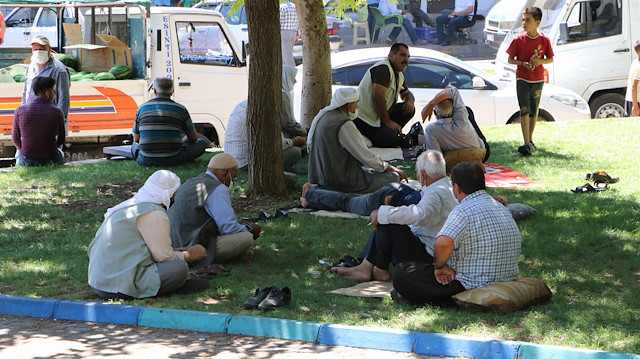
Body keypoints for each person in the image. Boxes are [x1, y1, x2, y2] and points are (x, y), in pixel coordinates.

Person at [392, 161, 522, 306]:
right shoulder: (500, 207)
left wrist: (440, 267)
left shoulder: (463, 211)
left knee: (401, 272)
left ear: (456, 188)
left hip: (470, 284)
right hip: (507, 278)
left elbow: (442, 243)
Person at [331, 150, 457, 282]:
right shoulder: (445, 187)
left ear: (423, 175)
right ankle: (370, 267)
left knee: (388, 222)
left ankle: (374, 269)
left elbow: (420, 215)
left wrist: (384, 213)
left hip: (430, 255)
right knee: (389, 218)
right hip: (436, 249)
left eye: (417, 172)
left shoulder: (435, 193)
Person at [88, 170, 209, 300]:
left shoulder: (130, 207)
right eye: (175, 192)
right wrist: (191, 255)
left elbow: (145, 248)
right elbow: (164, 257)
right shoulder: (154, 213)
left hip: (99, 283)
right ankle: (163, 288)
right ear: (170, 193)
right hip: (117, 287)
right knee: (180, 267)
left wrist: (180, 251)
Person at [167, 153, 262, 272]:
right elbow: (229, 227)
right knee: (246, 238)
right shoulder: (218, 189)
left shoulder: (191, 182)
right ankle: (221, 258)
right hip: (192, 245)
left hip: (173, 244)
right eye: (234, 176)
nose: (233, 181)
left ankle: (231, 256)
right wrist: (250, 229)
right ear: (225, 173)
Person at [307, 87, 408, 194]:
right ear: (350, 105)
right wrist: (390, 168)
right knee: (393, 177)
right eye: (356, 103)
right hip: (338, 181)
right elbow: (365, 155)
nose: (358, 106)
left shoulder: (325, 117)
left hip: (320, 177)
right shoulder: (344, 124)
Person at [506, 7, 554, 156]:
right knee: (524, 110)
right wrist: (522, 63)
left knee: (534, 110)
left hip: (537, 79)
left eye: (528, 20)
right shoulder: (518, 40)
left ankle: (530, 140)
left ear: (537, 22)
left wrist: (539, 61)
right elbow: (510, 59)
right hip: (522, 79)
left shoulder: (544, 40)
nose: (524, 23)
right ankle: (526, 143)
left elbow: (550, 58)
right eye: (523, 20)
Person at [354, 43, 421, 148]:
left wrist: (410, 101)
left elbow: (406, 94)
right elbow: (377, 97)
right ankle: (392, 136)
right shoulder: (383, 69)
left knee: (409, 109)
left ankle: (389, 133)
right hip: (365, 120)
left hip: (380, 118)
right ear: (391, 56)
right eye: (402, 55)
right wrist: (387, 121)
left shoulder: (399, 74)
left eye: (408, 57)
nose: (406, 60)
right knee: (393, 141)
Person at [131, 77, 208, 167]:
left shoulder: (142, 108)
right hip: (175, 159)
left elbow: (136, 139)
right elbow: (193, 138)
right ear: (172, 91)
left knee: (133, 147)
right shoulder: (181, 109)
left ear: (155, 91)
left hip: (145, 160)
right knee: (202, 143)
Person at [224, 100, 306, 172]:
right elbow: (278, 144)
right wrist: (295, 141)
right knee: (295, 152)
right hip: (245, 164)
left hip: (231, 160)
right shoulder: (265, 112)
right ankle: (283, 169)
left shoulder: (242, 105)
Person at [12, 77, 66, 167]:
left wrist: (24, 151)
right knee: (60, 153)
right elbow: (61, 139)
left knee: (18, 153)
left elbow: (15, 138)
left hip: (27, 160)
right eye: (53, 91)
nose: (54, 94)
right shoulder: (57, 112)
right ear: (47, 93)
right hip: (50, 159)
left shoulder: (20, 110)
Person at [22, 36, 70, 133]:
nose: (38, 52)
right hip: (31, 120)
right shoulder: (31, 67)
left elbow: (64, 98)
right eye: (35, 49)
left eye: (42, 49)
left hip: (50, 121)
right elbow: (25, 92)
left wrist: (59, 122)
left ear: (49, 49)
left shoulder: (59, 70)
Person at [421, 84, 485, 154]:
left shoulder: (431, 129)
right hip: (480, 153)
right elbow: (453, 90)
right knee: (467, 110)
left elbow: (436, 155)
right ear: (453, 110)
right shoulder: (462, 118)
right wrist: (431, 105)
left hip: (454, 160)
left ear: (435, 113)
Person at [281, 65, 307, 138]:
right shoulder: (282, 96)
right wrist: (304, 131)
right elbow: (288, 124)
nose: (295, 81)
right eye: (292, 77)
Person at [280, 0, 298, 67]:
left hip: (284, 32)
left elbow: (279, 20)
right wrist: (297, 34)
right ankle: (285, 75)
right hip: (293, 32)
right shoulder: (296, 8)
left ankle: (292, 73)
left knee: (286, 55)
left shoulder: (283, 7)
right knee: (288, 52)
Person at [625, 39, 640, 117]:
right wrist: (636, 106)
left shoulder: (635, 61)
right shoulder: (639, 67)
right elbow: (634, 86)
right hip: (637, 101)